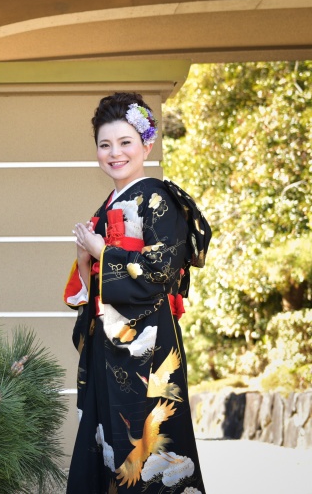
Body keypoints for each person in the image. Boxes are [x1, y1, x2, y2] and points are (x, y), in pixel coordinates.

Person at [64, 92, 209, 493]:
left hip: (148, 347)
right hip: (107, 345)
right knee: (105, 446)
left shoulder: (158, 199)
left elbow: (160, 273)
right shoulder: (108, 203)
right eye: (104, 144)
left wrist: (102, 252)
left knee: (148, 450)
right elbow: (90, 286)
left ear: (147, 144)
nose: (114, 153)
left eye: (125, 142)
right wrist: (84, 261)